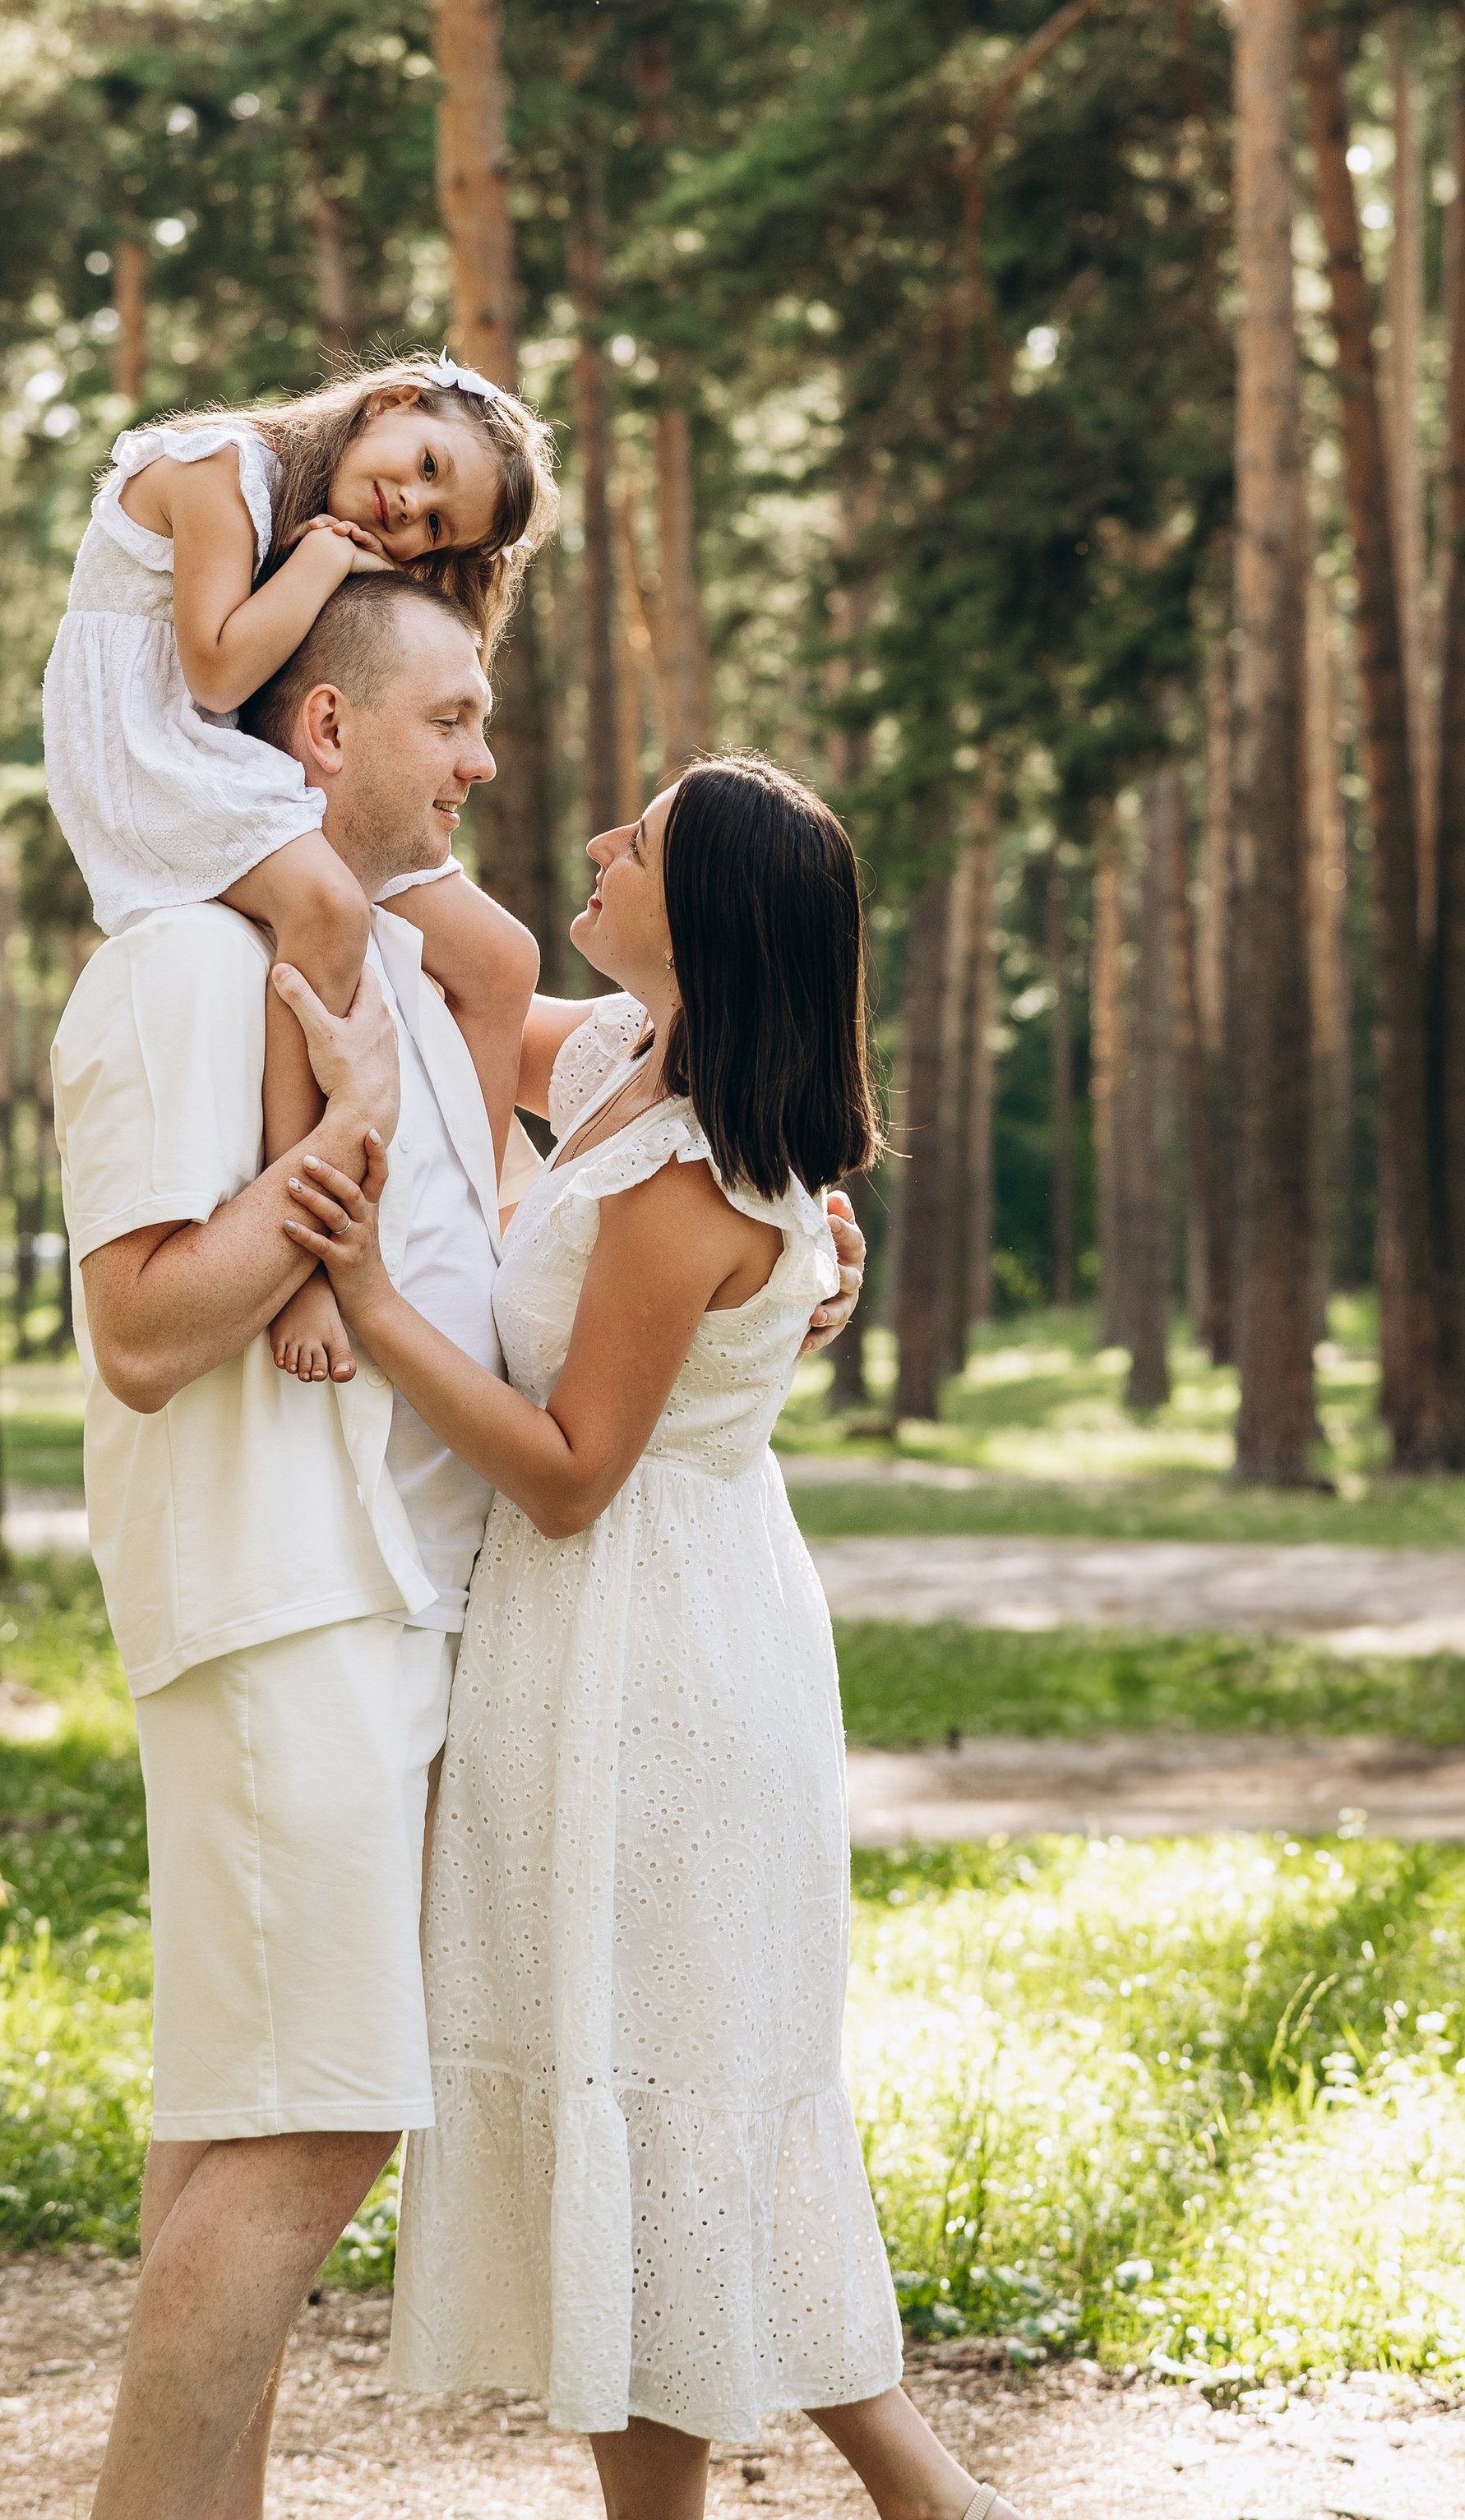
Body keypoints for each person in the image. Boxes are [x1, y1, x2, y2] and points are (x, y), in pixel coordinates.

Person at [53, 576, 867, 2520]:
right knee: (321, 2116)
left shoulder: (443, 994)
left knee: (314, 2110)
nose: (503, 772)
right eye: (452, 719)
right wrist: (330, 1174)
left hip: (515, 1614)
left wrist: (801, 1207)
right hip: (323, 1607)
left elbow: (702, 1116)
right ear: (323, 734)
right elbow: (148, 1327)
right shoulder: (210, 971)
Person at [281, 755, 1025, 2520]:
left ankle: (889, 2498)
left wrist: (369, 1298)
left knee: (662, 2077)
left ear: (710, 926)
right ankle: (928, 2499)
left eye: (639, 845)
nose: (595, 851)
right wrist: (343, 741)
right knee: (656, 2078)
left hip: (657, 1659)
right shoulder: (618, 1061)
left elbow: (563, 1475)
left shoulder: (688, 1178)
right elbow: (441, 924)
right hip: (598, 1641)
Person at [43, 350, 558, 1389]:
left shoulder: (328, 523)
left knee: (502, 958)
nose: (406, 514)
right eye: (423, 469)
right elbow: (219, 665)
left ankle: (492, 1239)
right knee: (325, 906)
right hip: (148, 753)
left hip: (235, 751)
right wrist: (325, 561)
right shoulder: (220, 464)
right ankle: (310, 1243)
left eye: (432, 528)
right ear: (394, 398)